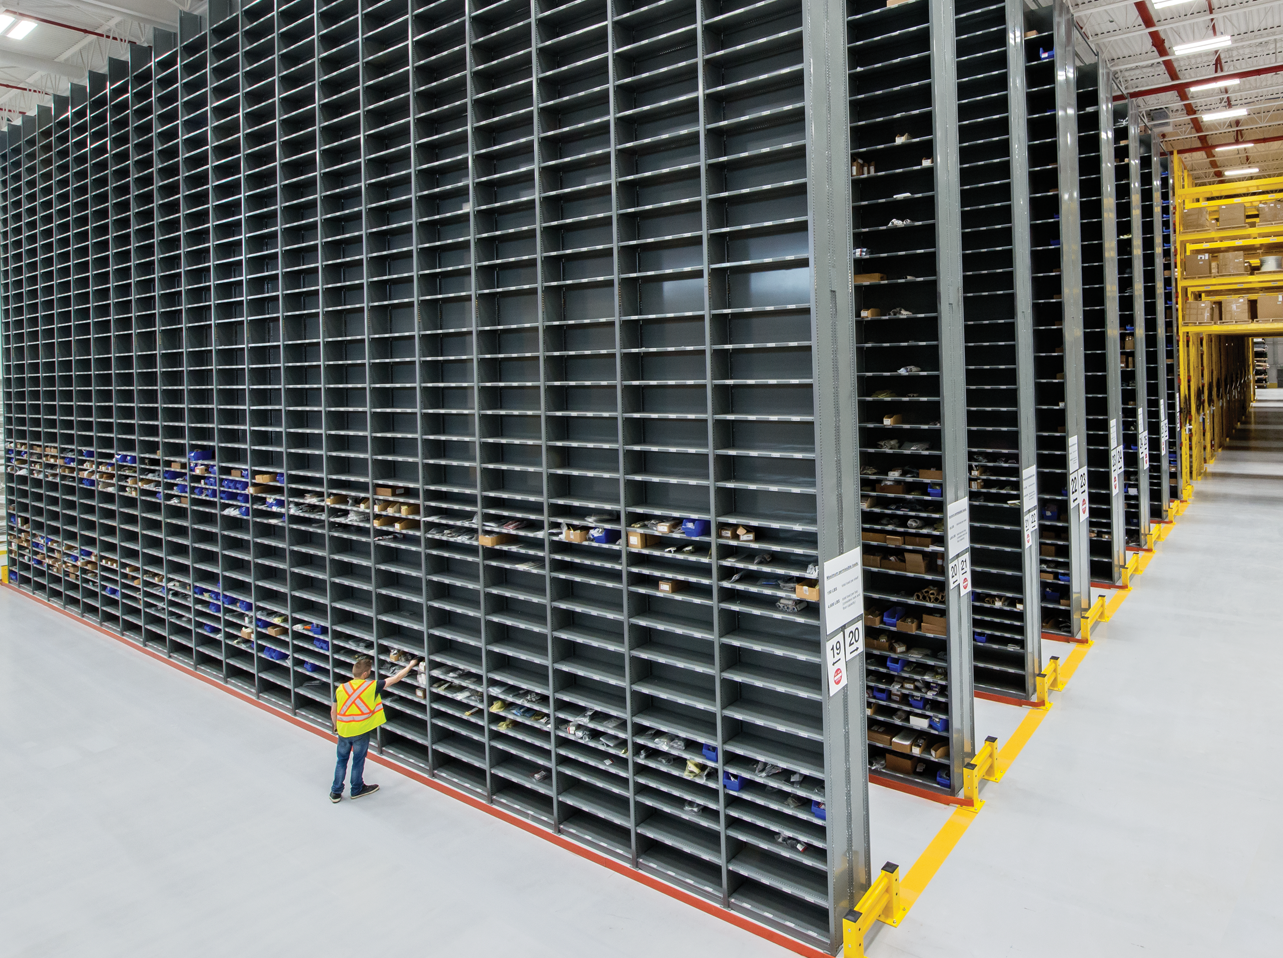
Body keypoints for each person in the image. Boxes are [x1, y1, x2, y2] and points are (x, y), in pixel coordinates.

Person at [330, 654, 420, 802]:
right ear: (365, 674)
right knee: (358, 761)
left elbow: (333, 711)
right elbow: (396, 678)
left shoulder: (341, 688)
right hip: (361, 732)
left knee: (341, 761)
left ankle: (336, 792)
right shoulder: (371, 686)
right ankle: (356, 789)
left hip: (344, 731)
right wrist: (411, 665)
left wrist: (336, 727)